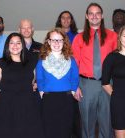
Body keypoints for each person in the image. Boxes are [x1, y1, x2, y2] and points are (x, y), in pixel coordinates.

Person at [72, 3, 117, 138]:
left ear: (102, 16)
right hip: (86, 84)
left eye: (97, 13)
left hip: (108, 83)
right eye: (91, 13)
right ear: (87, 16)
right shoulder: (79, 38)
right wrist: (75, 87)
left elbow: (118, 61)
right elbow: (74, 64)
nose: (94, 16)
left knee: (107, 122)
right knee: (87, 123)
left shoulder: (113, 36)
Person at [0, 33, 44, 138]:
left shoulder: (31, 63)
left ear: (22, 45)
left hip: (28, 108)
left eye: (18, 43)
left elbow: (32, 82)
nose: (15, 46)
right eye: (11, 43)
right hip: (6, 110)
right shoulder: (0, 64)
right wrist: (3, 103)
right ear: (7, 46)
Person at [36, 28, 79, 138]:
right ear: (48, 42)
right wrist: (41, 90)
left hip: (66, 99)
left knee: (65, 130)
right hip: (49, 100)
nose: (56, 43)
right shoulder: (42, 60)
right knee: (49, 130)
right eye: (53, 40)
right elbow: (39, 78)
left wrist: (74, 90)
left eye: (60, 40)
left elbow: (75, 77)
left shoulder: (71, 60)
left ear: (64, 42)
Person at [55, 10, 81, 138]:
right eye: (63, 18)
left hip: (74, 76)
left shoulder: (78, 36)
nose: (65, 20)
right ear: (60, 20)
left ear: (71, 20)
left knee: (74, 112)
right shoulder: (54, 36)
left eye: (68, 18)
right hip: (58, 79)